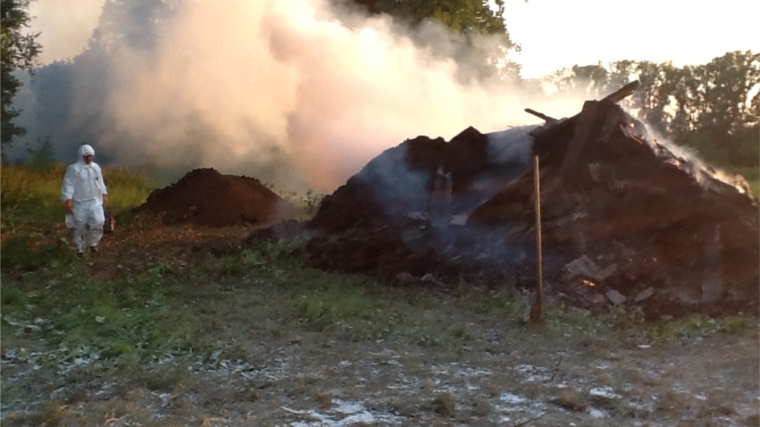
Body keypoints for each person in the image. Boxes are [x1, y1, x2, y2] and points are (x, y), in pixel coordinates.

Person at [62, 144, 109, 256]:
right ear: (81, 156)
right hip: (79, 203)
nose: (88, 158)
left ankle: (93, 243)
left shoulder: (96, 168)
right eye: (86, 156)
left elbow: (100, 182)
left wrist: (104, 193)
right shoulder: (74, 169)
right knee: (79, 226)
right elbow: (68, 185)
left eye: (90, 156)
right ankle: (80, 249)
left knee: (99, 222)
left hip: (95, 201)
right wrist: (68, 198)